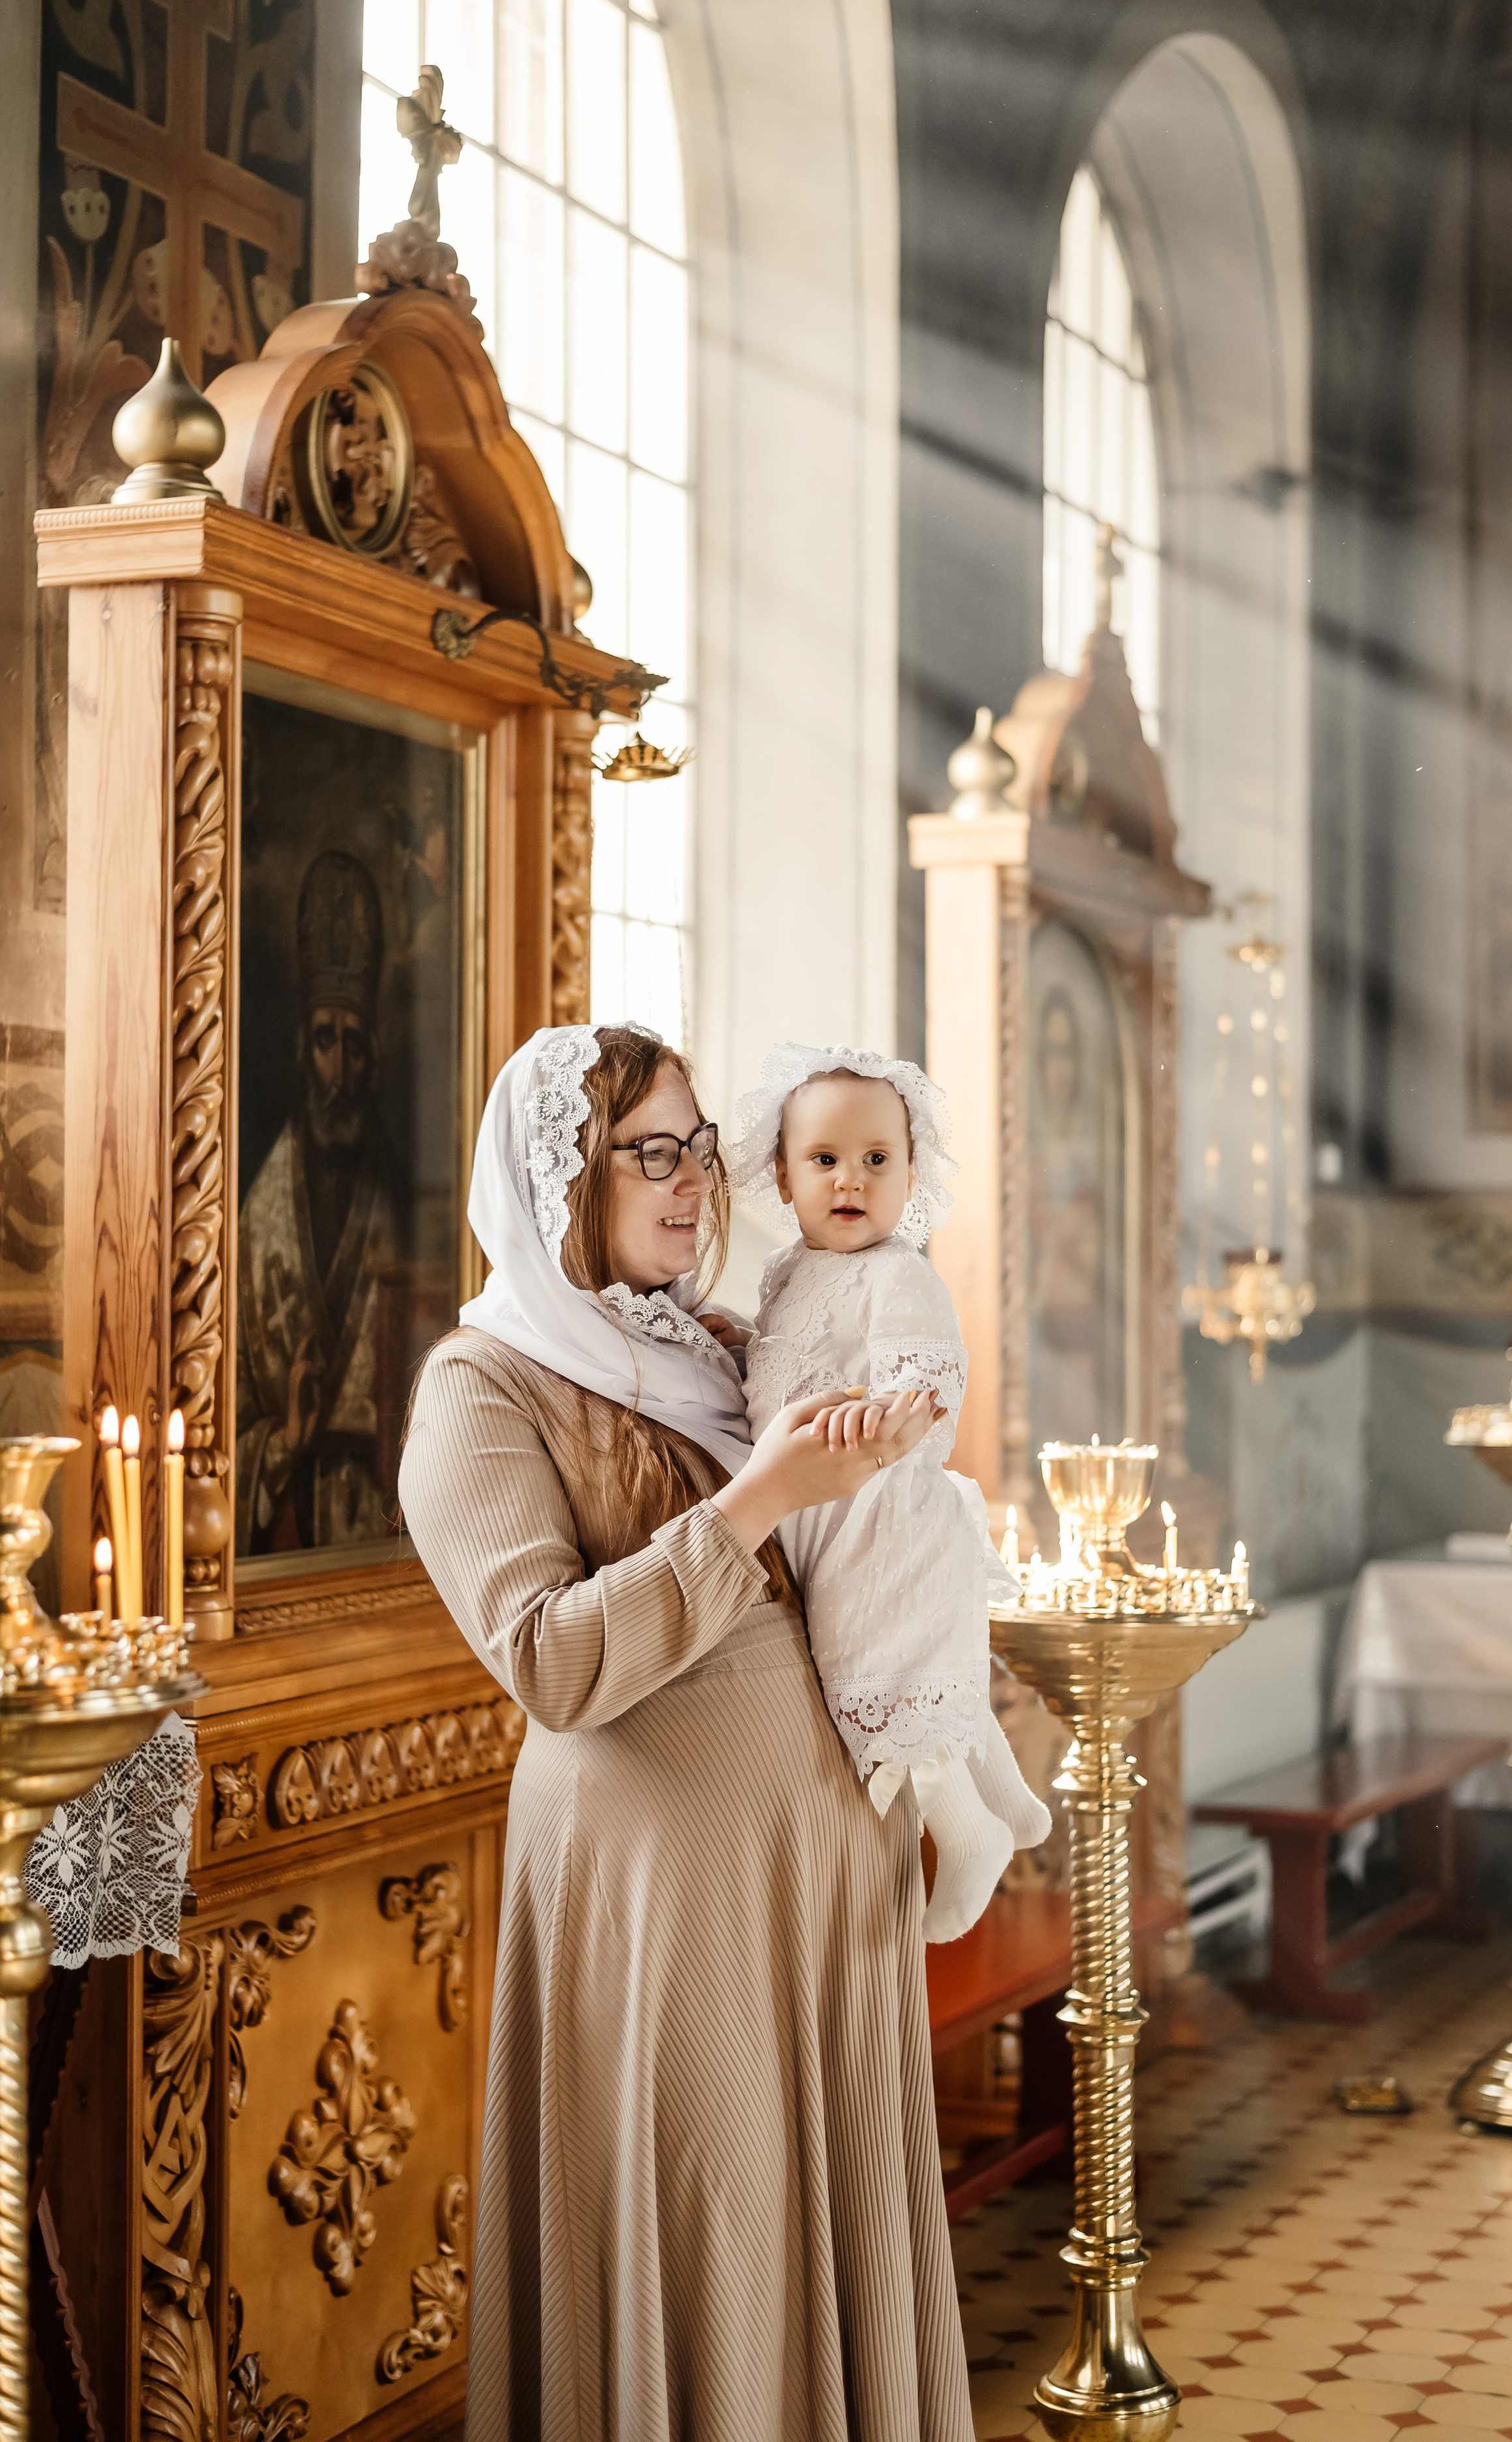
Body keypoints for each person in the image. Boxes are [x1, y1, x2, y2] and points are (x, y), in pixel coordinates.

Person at [400, 1021, 972, 2440]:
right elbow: (547, 1662)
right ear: (564, 1182)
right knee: (708, 2225)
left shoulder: (725, 1346)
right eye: (646, 1154)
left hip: (815, 1866)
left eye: (698, 1148)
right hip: (660, 1899)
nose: (687, 1185)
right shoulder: (478, 1387)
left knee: (828, 2228)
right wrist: (756, 1500)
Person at [732, 1043, 1050, 1943]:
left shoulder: (896, 1272)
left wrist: (886, 1422)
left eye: (878, 1160)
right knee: (922, 1666)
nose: (851, 1181)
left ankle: (969, 1830)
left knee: (881, 1667)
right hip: (822, 1508)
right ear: (783, 1176)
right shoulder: (788, 1271)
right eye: (825, 1160)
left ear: (911, 1176)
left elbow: (927, 1382)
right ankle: (1010, 1800)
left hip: (875, 1513)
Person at [236, 849, 406, 1552]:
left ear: (374, 1059)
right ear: (302, 1050)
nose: (339, 1071)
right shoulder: (255, 1213)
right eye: (324, 1042)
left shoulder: (402, 1199)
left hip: (387, 1515)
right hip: (291, 1521)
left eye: (355, 1047)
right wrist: (283, 1440)